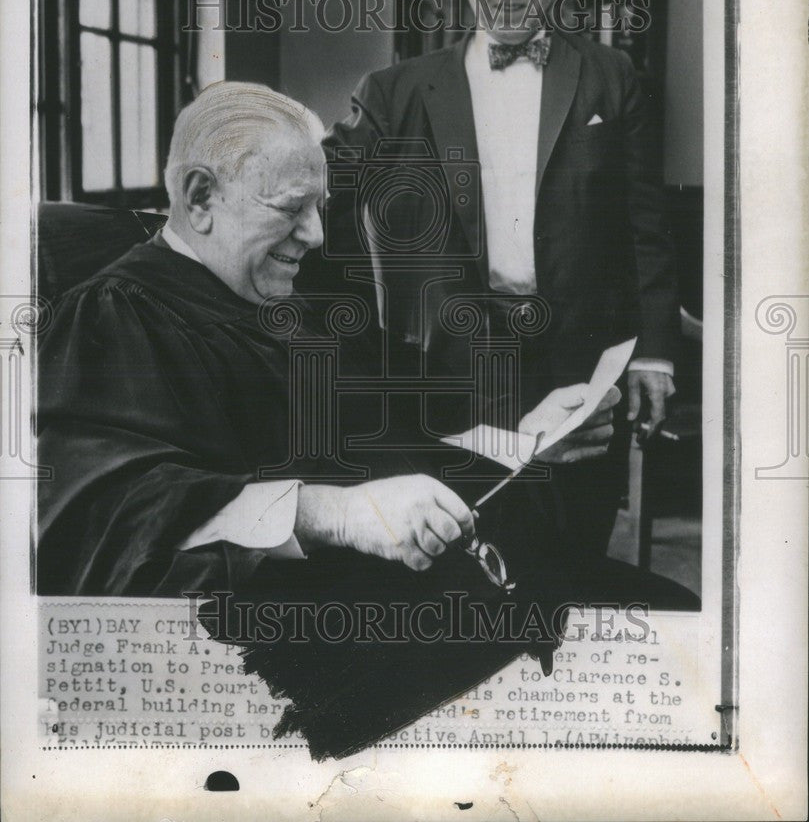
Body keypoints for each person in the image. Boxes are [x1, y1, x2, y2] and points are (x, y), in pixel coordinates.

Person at [36, 81, 618, 598]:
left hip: (429, 590)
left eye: (322, 208)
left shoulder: (292, 306)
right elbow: (111, 517)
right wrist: (333, 514)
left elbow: (391, 451)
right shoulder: (113, 318)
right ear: (199, 198)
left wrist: (521, 443)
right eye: (291, 208)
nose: (315, 236)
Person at [302, 0, 680, 557]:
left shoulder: (611, 75)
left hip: (578, 368)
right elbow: (313, 182)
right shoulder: (394, 92)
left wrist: (653, 353)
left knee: (572, 553)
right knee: (461, 555)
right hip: (452, 371)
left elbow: (645, 229)